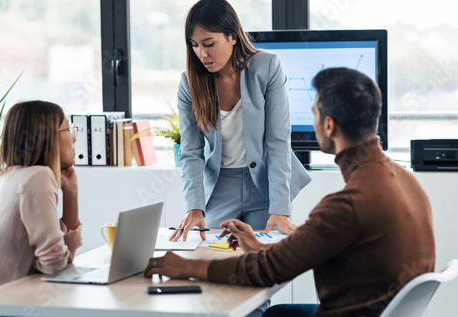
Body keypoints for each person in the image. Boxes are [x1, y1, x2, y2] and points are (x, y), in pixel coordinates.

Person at [146, 68, 436, 317]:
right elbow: (317, 245)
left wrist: (187, 266)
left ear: (328, 125)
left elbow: (269, 271)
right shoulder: (405, 181)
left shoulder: (348, 204)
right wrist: (259, 245)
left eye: (313, 114)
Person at [170, 0, 311, 243]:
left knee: (264, 261)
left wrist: (280, 208)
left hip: (265, 185)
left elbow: (278, 140)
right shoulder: (189, 83)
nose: (201, 54)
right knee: (214, 255)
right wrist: (194, 207)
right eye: (194, 45)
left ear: (232, 36)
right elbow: (191, 151)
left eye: (209, 43)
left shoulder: (267, 67)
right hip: (220, 187)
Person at [0, 100, 83, 293]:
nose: (74, 138)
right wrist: (41, 262)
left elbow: (58, 257)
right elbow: (55, 263)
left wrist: (71, 193)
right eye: (68, 130)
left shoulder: (13, 176)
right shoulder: (38, 177)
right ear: (48, 137)